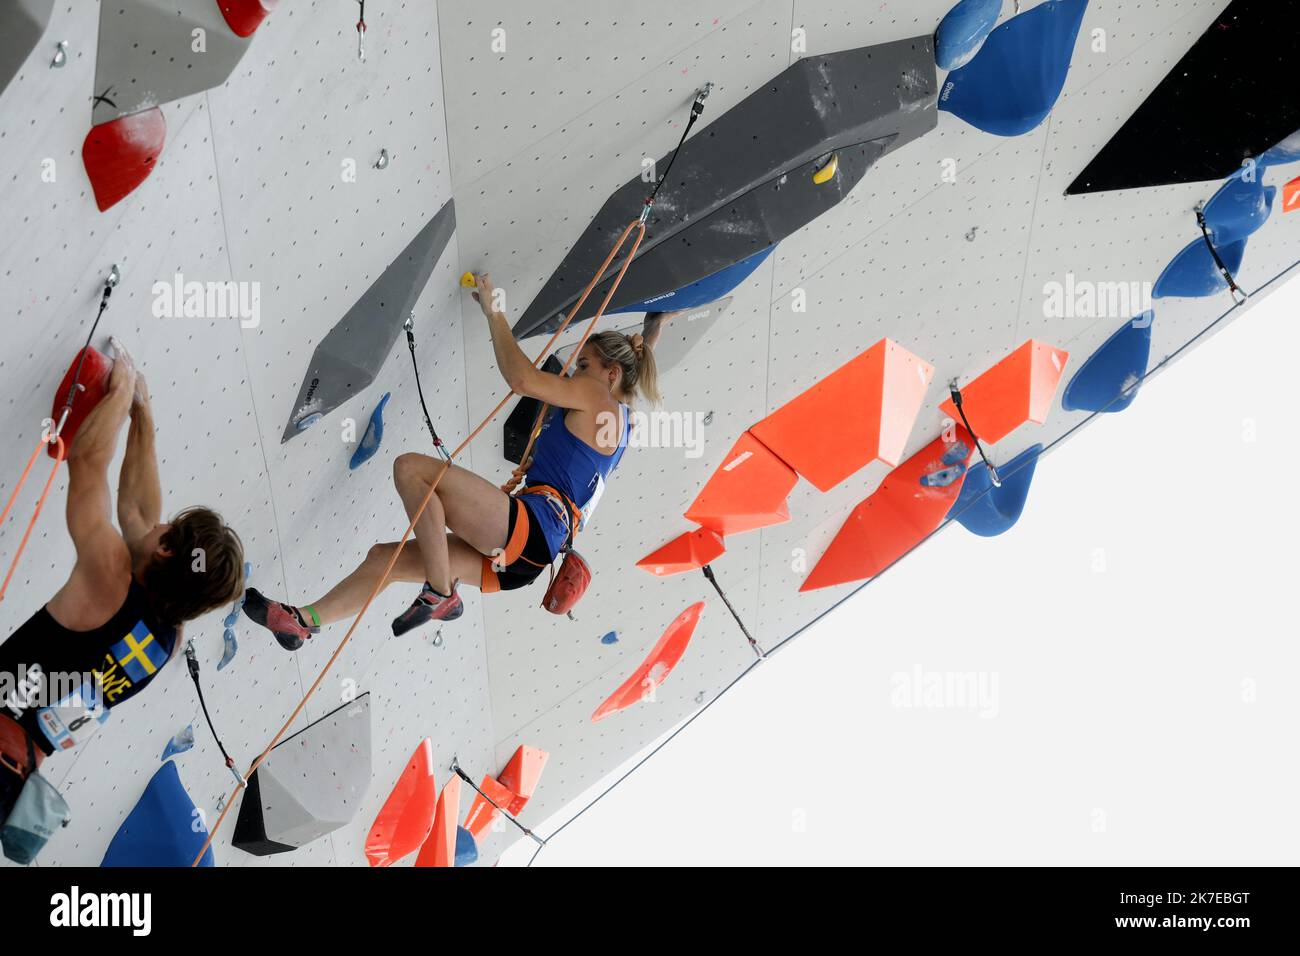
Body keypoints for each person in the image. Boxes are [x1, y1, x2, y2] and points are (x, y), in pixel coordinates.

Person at [243, 273, 661, 648]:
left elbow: (522, 380)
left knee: (410, 468)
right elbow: (633, 374)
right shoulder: (622, 425)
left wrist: (494, 313)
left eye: (583, 364)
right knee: (382, 559)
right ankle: (304, 621)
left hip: (531, 529)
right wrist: (652, 331)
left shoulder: (597, 397)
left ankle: (441, 593)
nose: (572, 373)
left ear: (610, 375)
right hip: (526, 560)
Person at [0, 340, 245, 777]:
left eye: (166, 528)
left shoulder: (110, 574)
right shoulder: (166, 641)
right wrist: (142, 416)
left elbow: (89, 459)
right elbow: (137, 515)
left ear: (166, 548)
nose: (157, 523)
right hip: (17, 776)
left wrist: (120, 389)